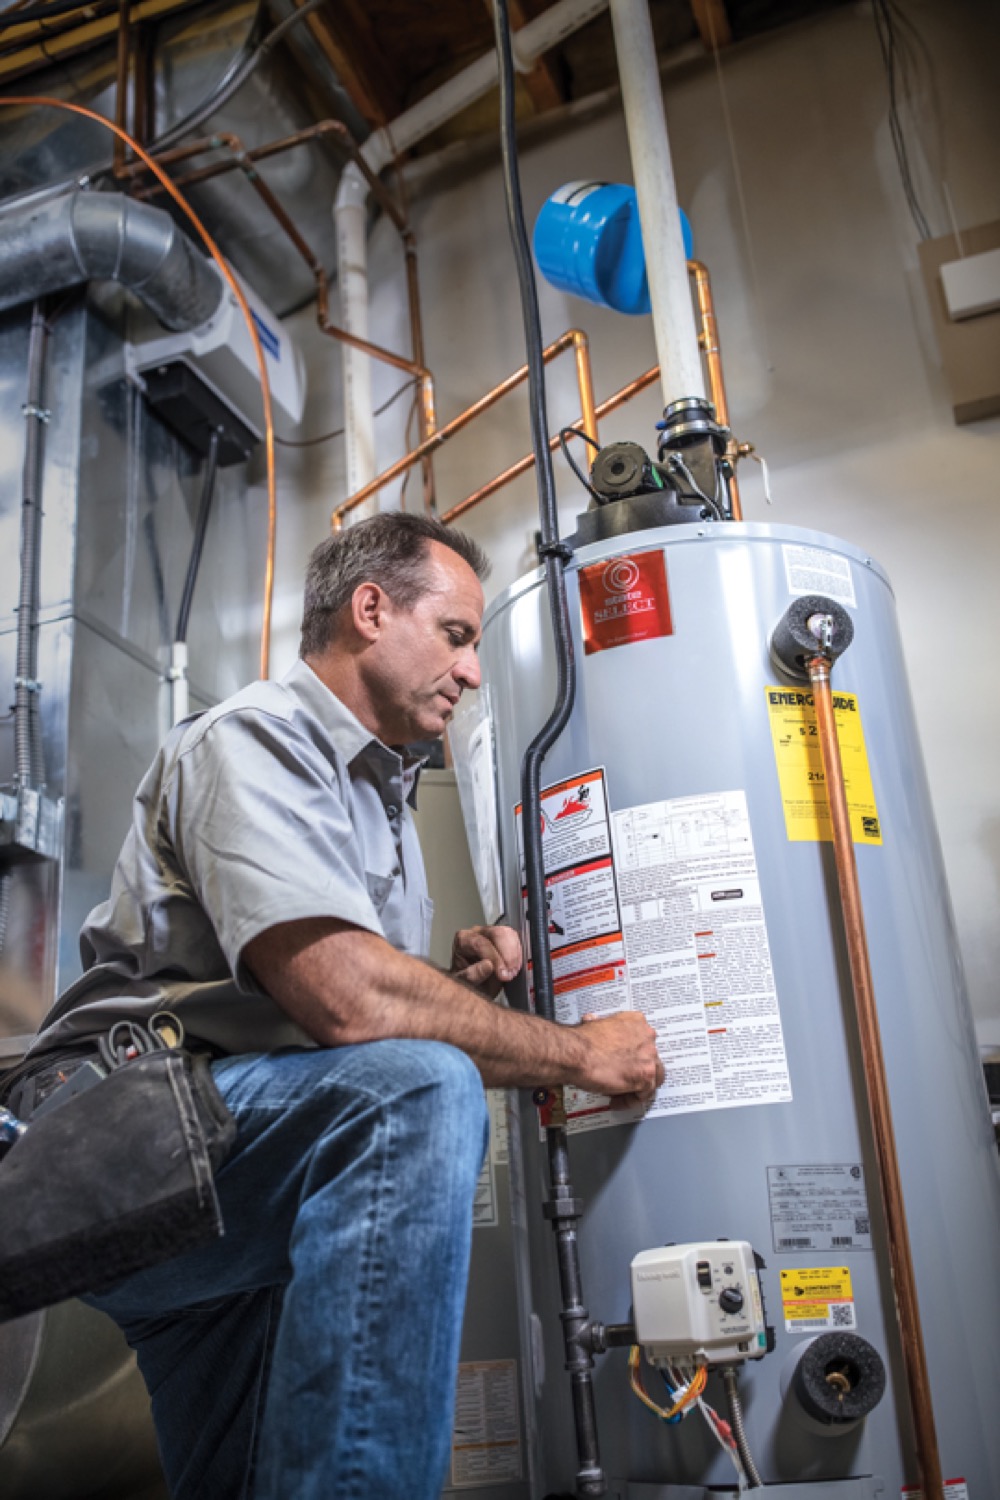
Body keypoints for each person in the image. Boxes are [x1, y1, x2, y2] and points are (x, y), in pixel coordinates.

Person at [19, 512, 663, 1500]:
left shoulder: (382, 796)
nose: (476, 671)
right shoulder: (255, 739)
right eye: (455, 635)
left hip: (235, 1180)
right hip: (128, 1150)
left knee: (242, 1477)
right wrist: (580, 1052)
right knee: (412, 1094)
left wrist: (449, 992)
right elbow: (350, 1008)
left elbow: (329, 1006)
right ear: (371, 609)